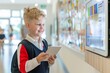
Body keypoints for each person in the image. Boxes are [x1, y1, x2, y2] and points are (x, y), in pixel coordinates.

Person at [15, 7, 56, 73]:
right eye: (39, 24)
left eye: (43, 24)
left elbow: (45, 65)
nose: (42, 27)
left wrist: (50, 62)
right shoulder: (23, 46)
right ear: (28, 26)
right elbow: (22, 68)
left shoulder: (44, 43)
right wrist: (37, 60)